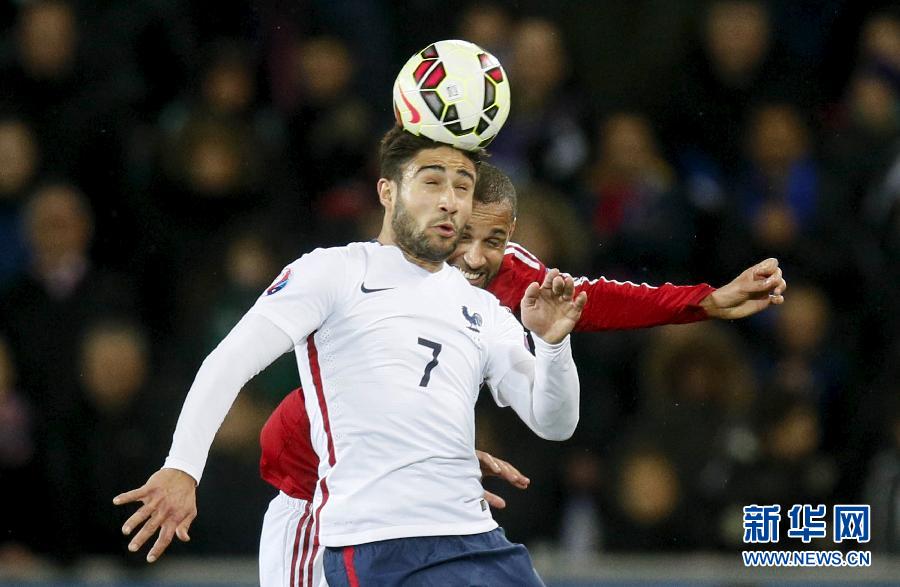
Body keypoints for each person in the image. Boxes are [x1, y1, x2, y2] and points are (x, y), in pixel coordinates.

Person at [257, 161, 788, 585]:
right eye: (461, 234)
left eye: (492, 240)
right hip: (313, 491)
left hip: (399, 504)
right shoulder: (388, 263)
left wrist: (707, 301)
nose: (474, 256)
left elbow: (592, 300)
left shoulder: (504, 276)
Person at [114, 126, 587, 587]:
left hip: (476, 537)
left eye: (462, 186)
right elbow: (229, 362)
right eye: (432, 182)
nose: (450, 200)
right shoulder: (334, 273)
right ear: (387, 191)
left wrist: (553, 345)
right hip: (379, 542)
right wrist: (182, 466)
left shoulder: (483, 309)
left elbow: (554, 422)